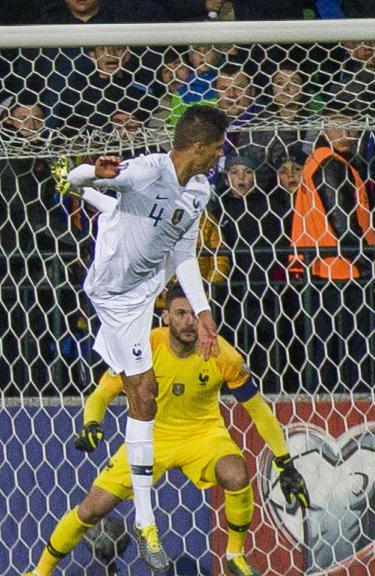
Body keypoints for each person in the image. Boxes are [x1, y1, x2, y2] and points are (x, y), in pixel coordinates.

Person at [21, 285, 310, 576]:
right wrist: (92, 423)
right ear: (166, 317)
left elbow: (257, 408)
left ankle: (235, 554)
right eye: (181, 313)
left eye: (195, 315)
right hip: (150, 437)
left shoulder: (222, 353)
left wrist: (284, 461)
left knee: (236, 473)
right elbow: (101, 394)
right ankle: (39, 572)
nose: (188, 321)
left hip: (203, 435)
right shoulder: (145, 347)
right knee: (92, 509)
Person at [61, 105, 229, 571]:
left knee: (143, 396)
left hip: (144, 293)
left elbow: (184, 252)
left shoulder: (199, 191)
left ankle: (144, 520)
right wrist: (91, 171)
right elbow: (79, 181)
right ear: (197, 147)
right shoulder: (147, 170)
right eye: (216, 148)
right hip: (111, 293)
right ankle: (144, 519)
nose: (220, 155)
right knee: (145, 393)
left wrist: (204, 309)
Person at [290, 107, 375, 392]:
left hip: (320, 268)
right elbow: (342, 220)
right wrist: (367, 265)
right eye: (338, 127)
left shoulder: (319, 161)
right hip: (341, 269)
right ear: (325, 130)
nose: (347, 134)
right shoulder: (330, 163)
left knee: (326, 349)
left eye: (352, 127)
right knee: (351, 352)